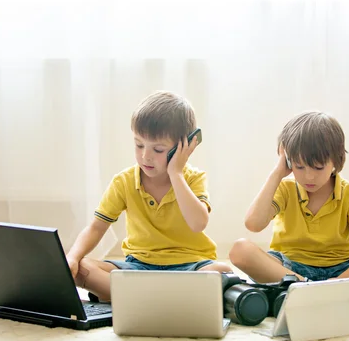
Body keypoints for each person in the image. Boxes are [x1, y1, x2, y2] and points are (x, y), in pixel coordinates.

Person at [66, 91, 231, 301]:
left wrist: (176, 173)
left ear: (186, 146)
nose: (146, 156)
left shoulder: (193, 179)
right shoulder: (123, 181)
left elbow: (198, 223)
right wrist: (72, 257)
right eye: (139, 145)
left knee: (222, 272)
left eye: (159, 149)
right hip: (137, 266)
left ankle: (134, 298)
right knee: (81, 267)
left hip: (190, 265)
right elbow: (96, 227)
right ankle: (165, 299)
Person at [229, 111, 349, 305]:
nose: (309, 177)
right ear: (288, 161)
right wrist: (277, 173)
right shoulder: (285, 188)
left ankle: (308, 295)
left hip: (341, 269)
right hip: (290, 269)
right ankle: (313, 292)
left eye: (318, 168)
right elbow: (253, 223)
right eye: (299, 167)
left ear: (337, 160)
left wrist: (343, 281)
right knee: (240, 249)